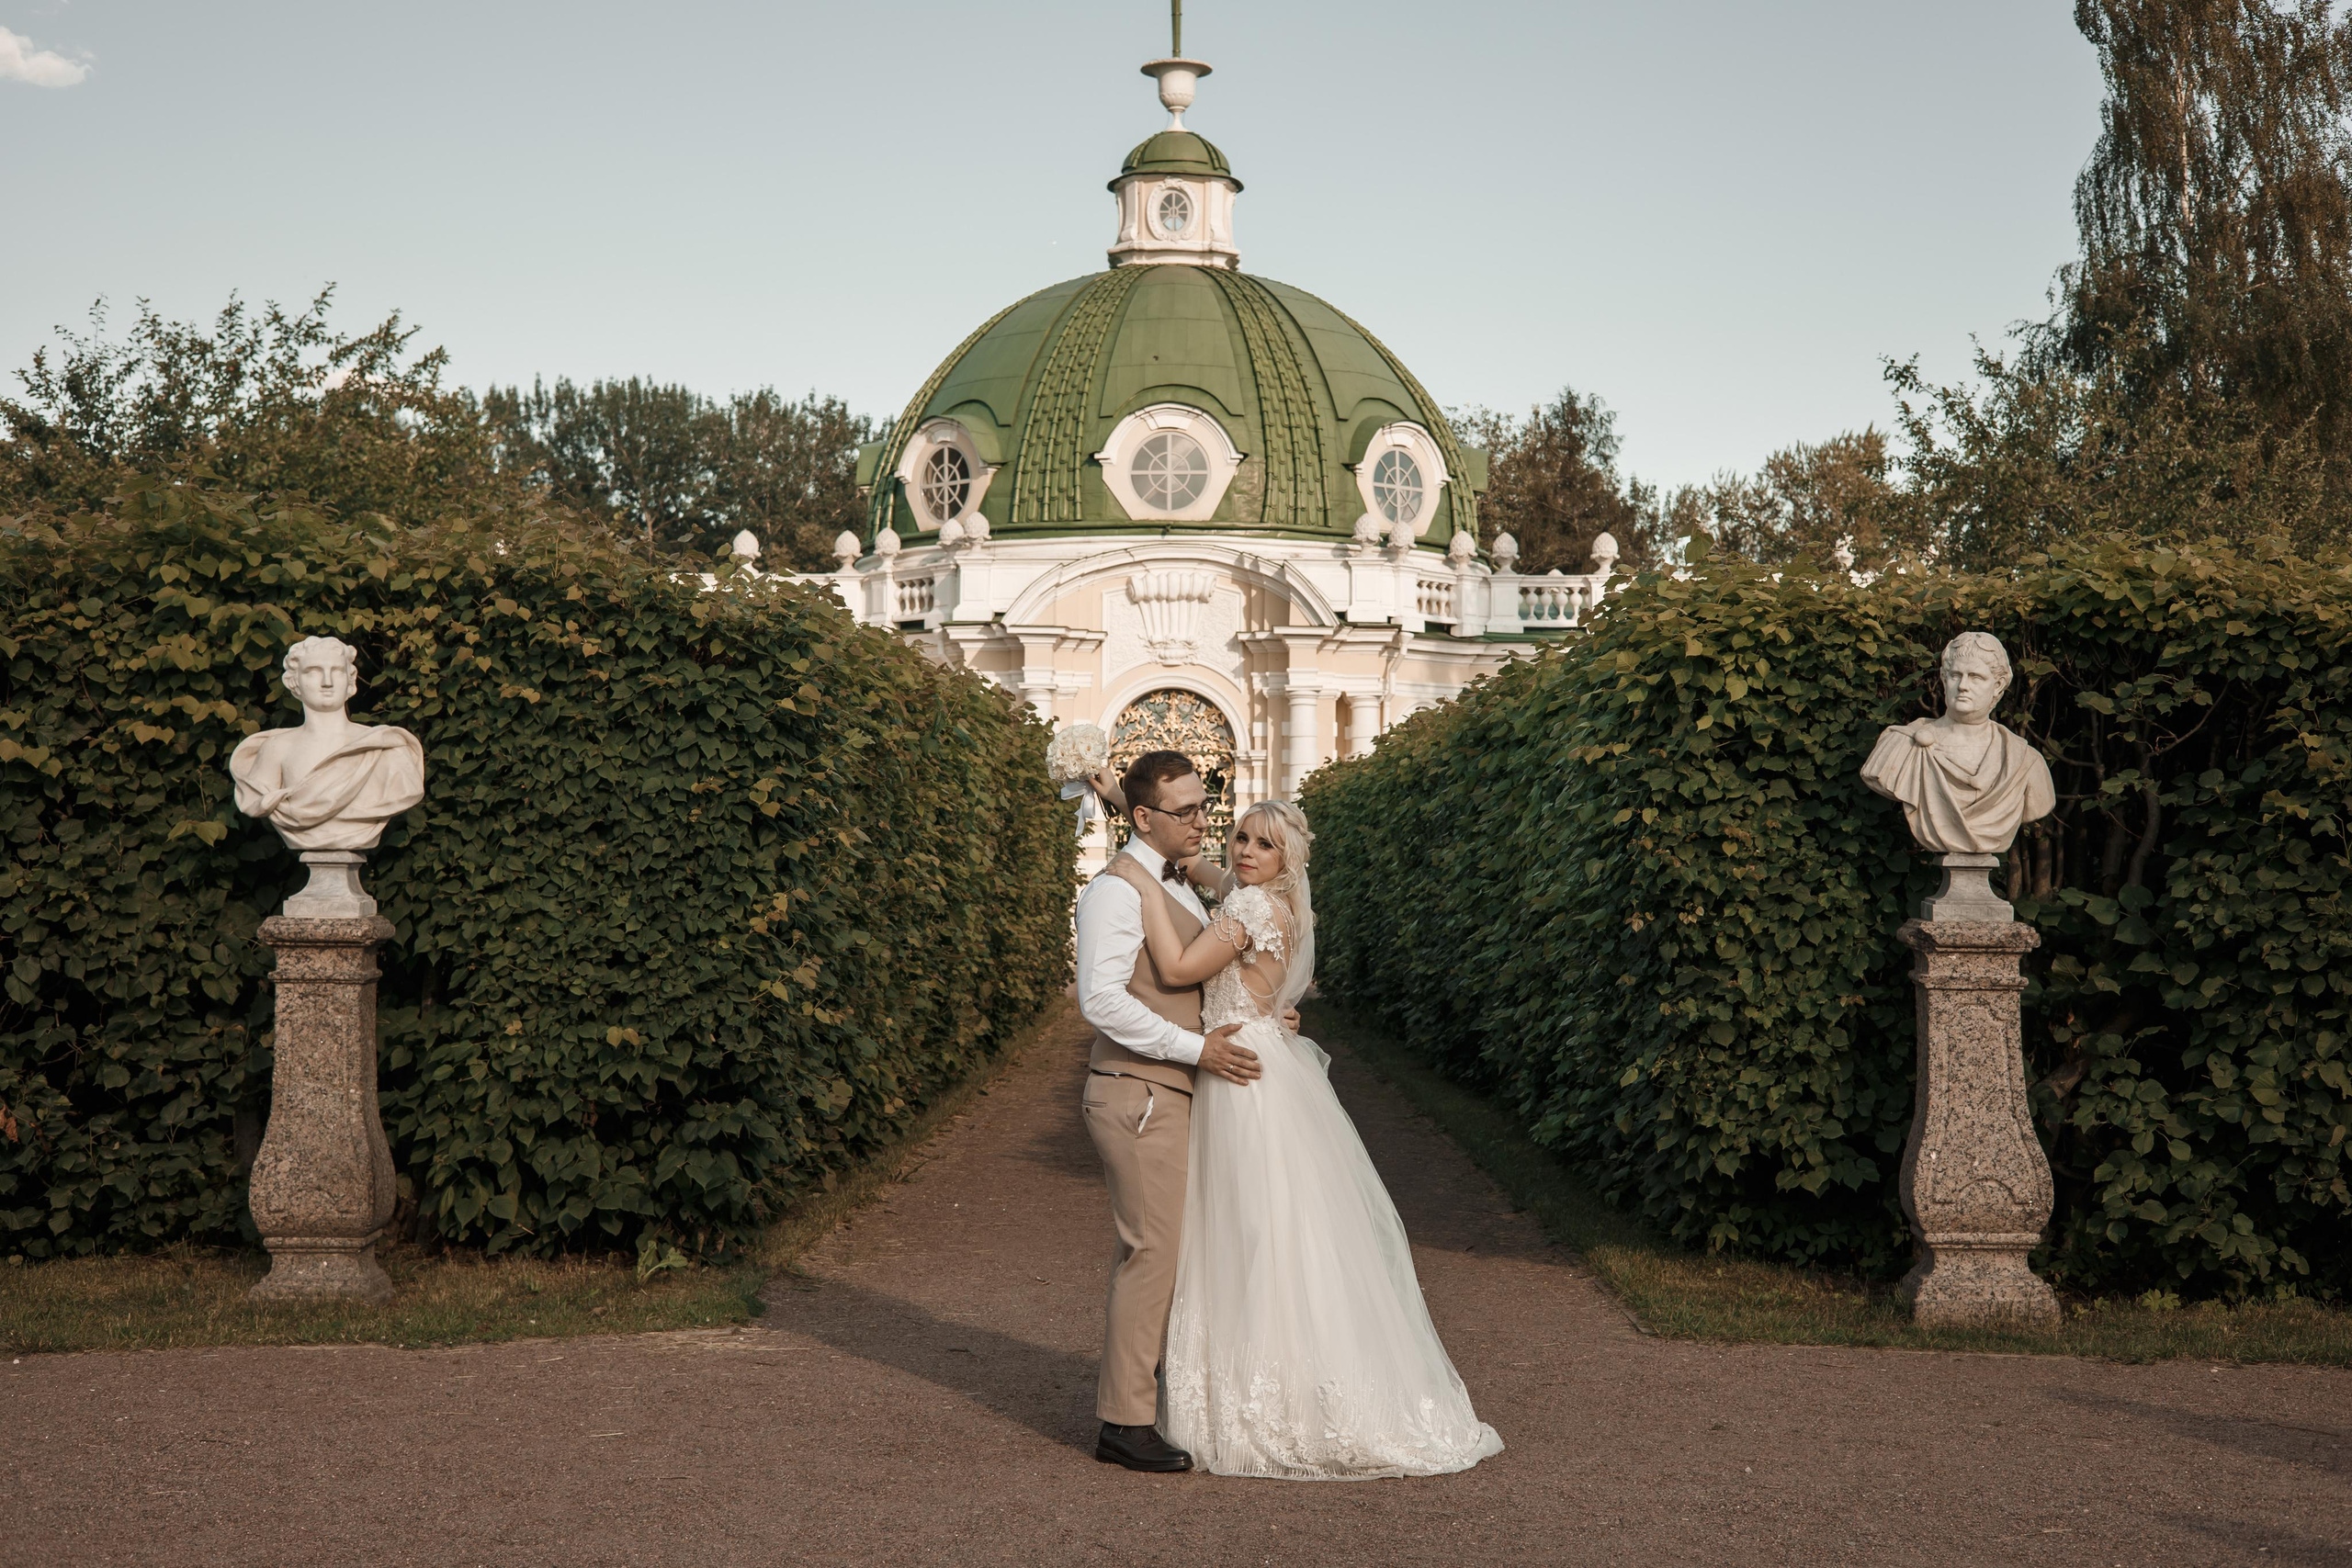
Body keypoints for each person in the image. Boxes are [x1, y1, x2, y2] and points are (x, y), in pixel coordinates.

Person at [1106, 796, 1503, 1481]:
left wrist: (1138, 882)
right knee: (1284, 1227)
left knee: (1248, 1229)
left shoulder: (1249, 906)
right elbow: (1202, 870)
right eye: (1240, 837)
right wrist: (1127, 803)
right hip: (1268, 1057)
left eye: (1263, 844)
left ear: (1287, 856)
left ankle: (1265, 1400)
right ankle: (1298, 1383)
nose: (1244, 851)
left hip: (1240, 1075)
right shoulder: (1278, 904)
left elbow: (1177, 970)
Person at [1072, 750, 1265, 1473]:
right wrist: (1195, 1048)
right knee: (1152, 1251)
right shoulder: (1116, 891)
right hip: (1138, 1088)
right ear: (1147, 817)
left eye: (1204, 804)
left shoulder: (1169, 875)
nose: (1203, 820)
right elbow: (1101, 1000)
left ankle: (1151, 1395)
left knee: (1170, 1250)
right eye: (1186, 811)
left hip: (1168, 1086)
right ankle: (1124, 1423)